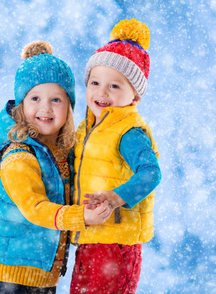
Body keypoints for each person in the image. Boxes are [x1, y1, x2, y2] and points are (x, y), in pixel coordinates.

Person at [0, 41, 113, 294]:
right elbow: (34, 208)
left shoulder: (60, 152)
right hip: (10, 274)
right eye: (35, 98)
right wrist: (81, 217)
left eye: (56, 99)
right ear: (21, 105)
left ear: (69, 107)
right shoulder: (19, 154)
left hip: (41, 276)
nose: (45, 108)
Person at [69, 19, 162, 294]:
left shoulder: (128, 131)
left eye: (114, 86)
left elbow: (151, 172)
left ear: (134, 96)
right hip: (90, 239)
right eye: (95, 82)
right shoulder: (88, 128)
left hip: (116, 246)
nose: (101, 92)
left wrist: (115, 197)